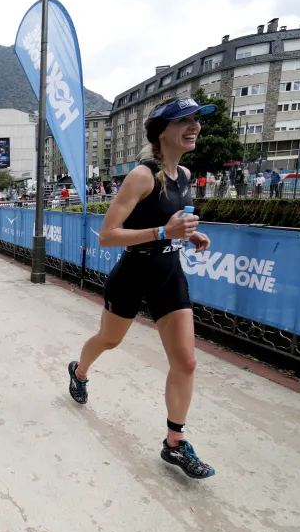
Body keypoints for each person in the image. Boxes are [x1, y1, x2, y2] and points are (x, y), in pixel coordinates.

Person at [66, 97, 216, 480]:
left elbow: (167, 221)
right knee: (108, 340)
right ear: (161, 132)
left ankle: (174, 443)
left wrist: (190, 234)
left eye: (196, 120)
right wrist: (163, 232)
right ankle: (80, 371)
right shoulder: (142, 177)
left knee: (186, 361)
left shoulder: (183, 176)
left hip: (169, 274)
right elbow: (107, 236)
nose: (194, 126)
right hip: (134, 273)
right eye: (184, 120)